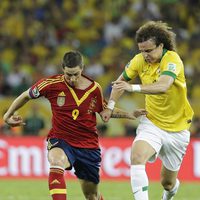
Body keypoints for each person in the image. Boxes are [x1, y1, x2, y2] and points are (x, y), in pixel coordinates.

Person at [3, 51, 146, 200]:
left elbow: (105, 111)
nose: (72, 78)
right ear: (62, 68)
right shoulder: (51, 84)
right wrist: (8, 115)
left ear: (82, 68)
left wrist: (130, 114)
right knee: (56, 161)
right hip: (61, 139)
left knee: (92, 195)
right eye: (68, 74)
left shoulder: (94, 89)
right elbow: (26, 95)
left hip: (88, 145)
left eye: (76, 74)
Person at [101, 21, 194, 200]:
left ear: (161, 45)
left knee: (167, 183)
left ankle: (169, 194)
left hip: (178, 129)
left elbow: (164, 85)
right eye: (142, 50)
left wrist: (133, 88)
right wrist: (110, 106)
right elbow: (119, 84)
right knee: (136, 157)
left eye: (149, 50)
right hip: (152, 123)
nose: (145, 55)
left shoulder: (172, 59)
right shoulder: (139, 60)